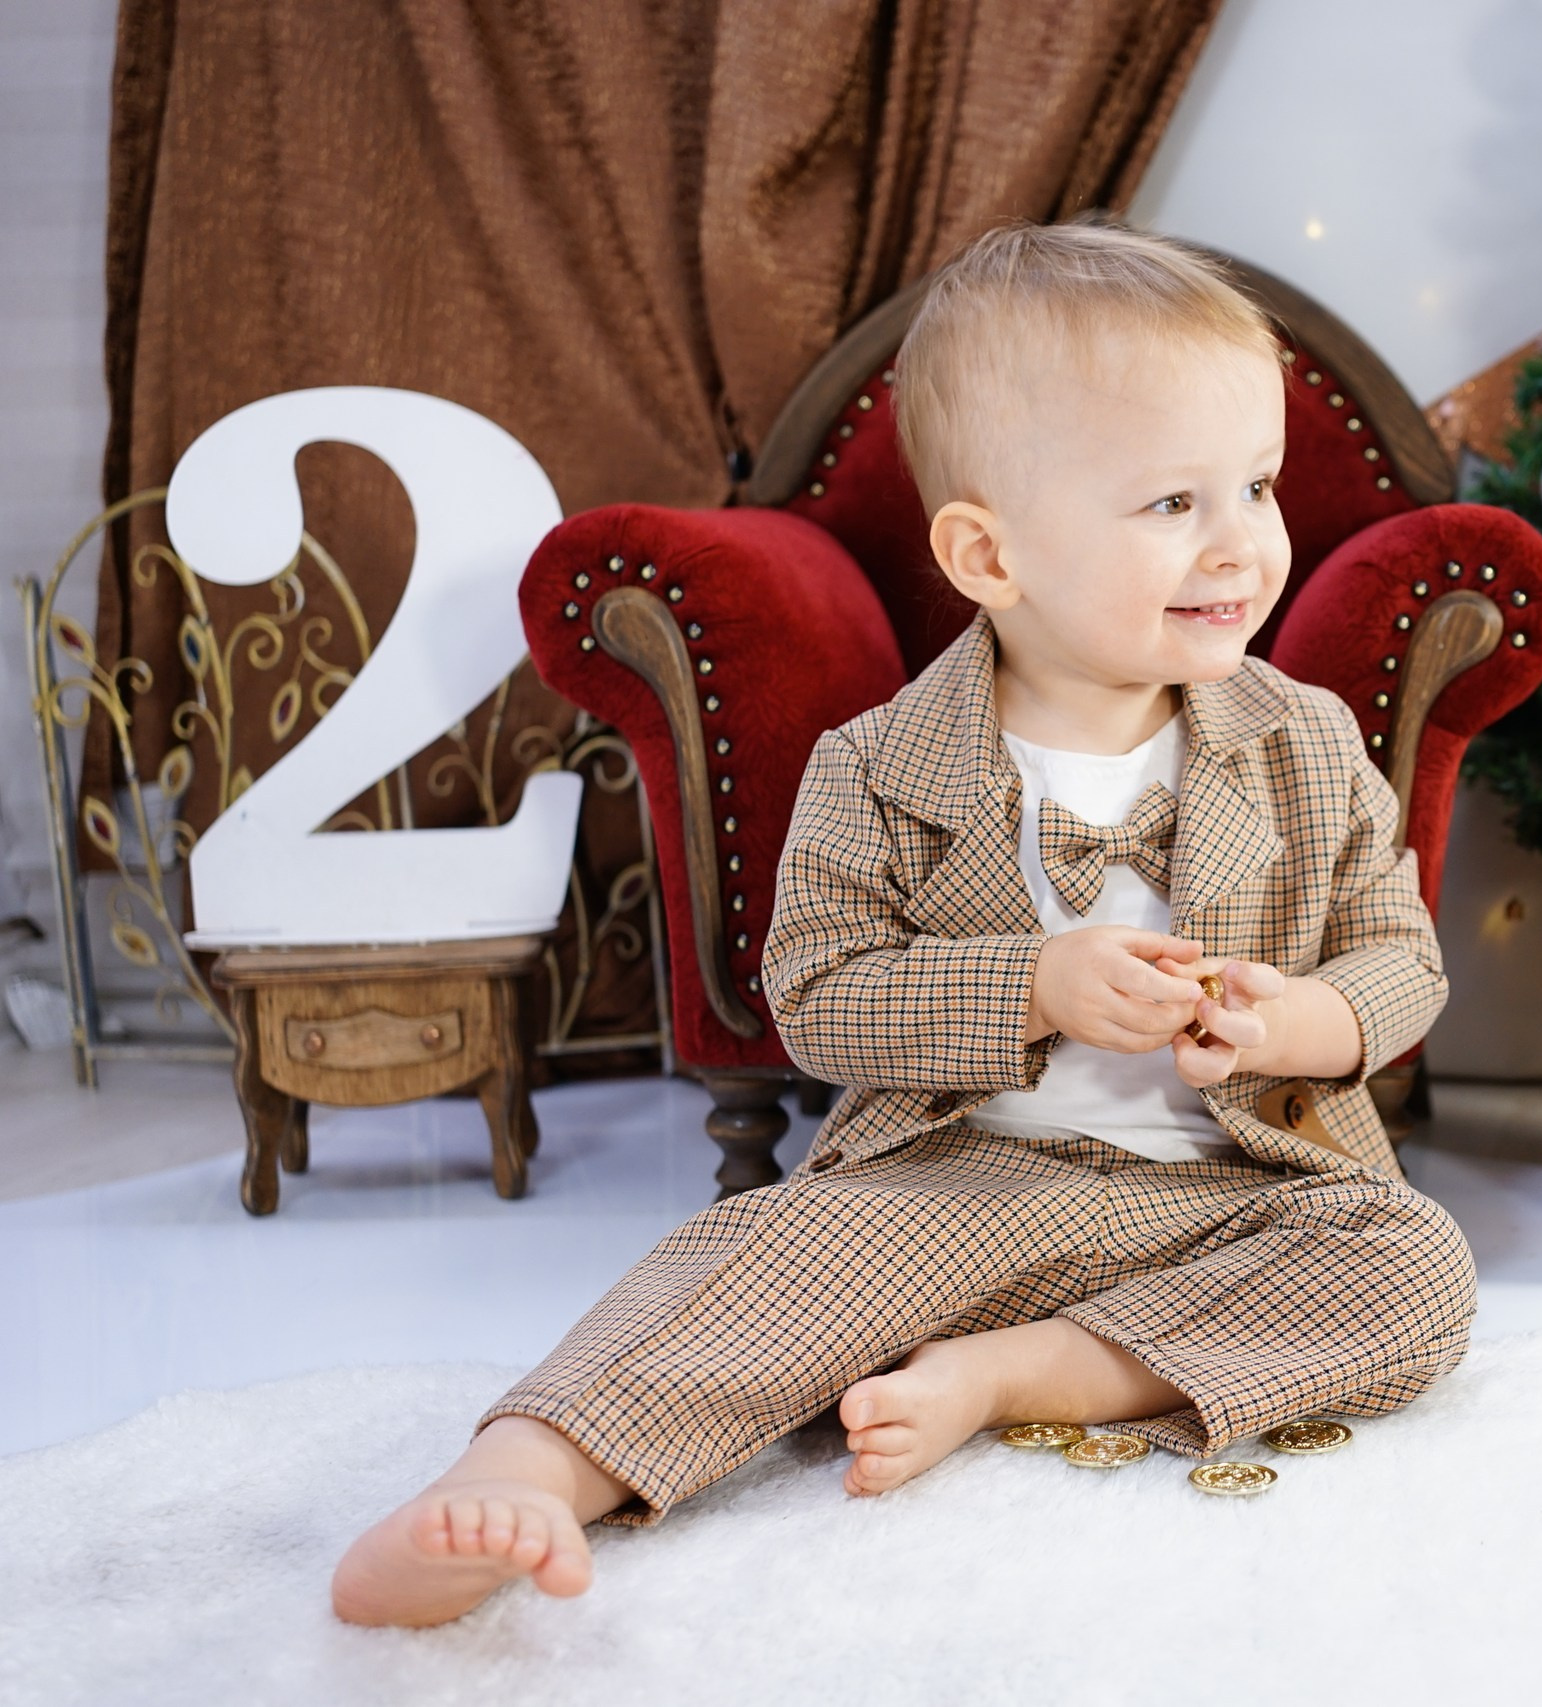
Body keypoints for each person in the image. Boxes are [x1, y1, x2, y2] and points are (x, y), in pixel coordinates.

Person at [332, 220, 1474, 1627]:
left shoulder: (1304, 741)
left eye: (1256, 484)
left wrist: (1306, 1019)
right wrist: (1032, 986)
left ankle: (1014, 1372)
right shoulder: (877, 765)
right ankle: (522, 1475)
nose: (1242, 541)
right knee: (752, 1262)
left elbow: (1400, 955)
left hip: (1237, 1194)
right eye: (1174, 503)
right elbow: (816, 997)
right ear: (989, 554)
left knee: (1414, 1268)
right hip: (955, 1184)